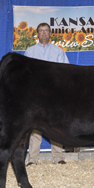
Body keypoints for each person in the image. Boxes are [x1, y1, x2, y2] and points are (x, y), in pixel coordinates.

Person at [24, 22, 69, 166]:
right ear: (37, 34)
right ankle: (32, 159)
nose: (43, 33)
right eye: (41, 31)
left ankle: (58, 157)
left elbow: (66, 71)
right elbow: (26, 74)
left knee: (56, 126)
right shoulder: (30, 52)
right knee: (35, 126)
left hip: (54, 95)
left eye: (46, 31)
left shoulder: (58, 51)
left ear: (50, 34)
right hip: (36, 95)